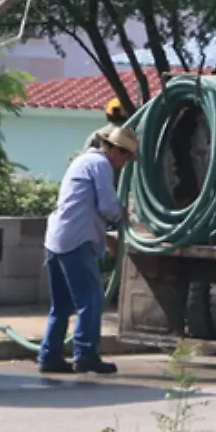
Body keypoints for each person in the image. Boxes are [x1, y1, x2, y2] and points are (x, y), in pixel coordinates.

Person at [39, 126, 139, 375]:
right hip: (76, 241)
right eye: (126, 157)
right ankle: (86, 355)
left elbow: (83, 206)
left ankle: (49, 355)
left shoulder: (83, 161)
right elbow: (107, 206)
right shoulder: (101, 165)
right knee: (91, 300)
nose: (124, 164)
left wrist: (106, 238)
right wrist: (123, 214)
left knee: (61, 305)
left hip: (57, 238)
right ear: (116, 150)